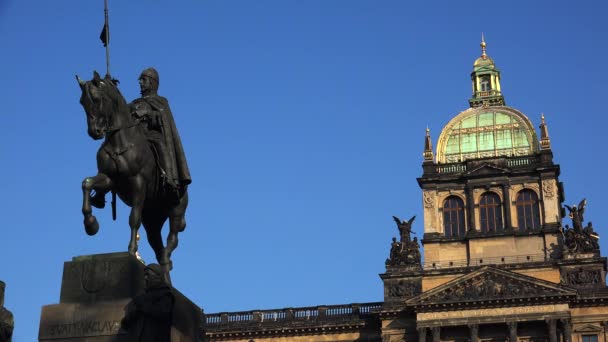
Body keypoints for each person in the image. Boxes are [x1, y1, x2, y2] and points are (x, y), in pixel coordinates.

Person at [130, 68, 192, 201]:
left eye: (143, 80)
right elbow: (121, 114)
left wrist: (148, 114)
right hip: (135, 136)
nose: (140, 82)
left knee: (160, 145)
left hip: (151, 134)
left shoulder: (161, 101)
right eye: (140, 80)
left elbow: (162, 118)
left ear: (152, 83)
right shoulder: (134, 103)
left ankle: (170, 178)